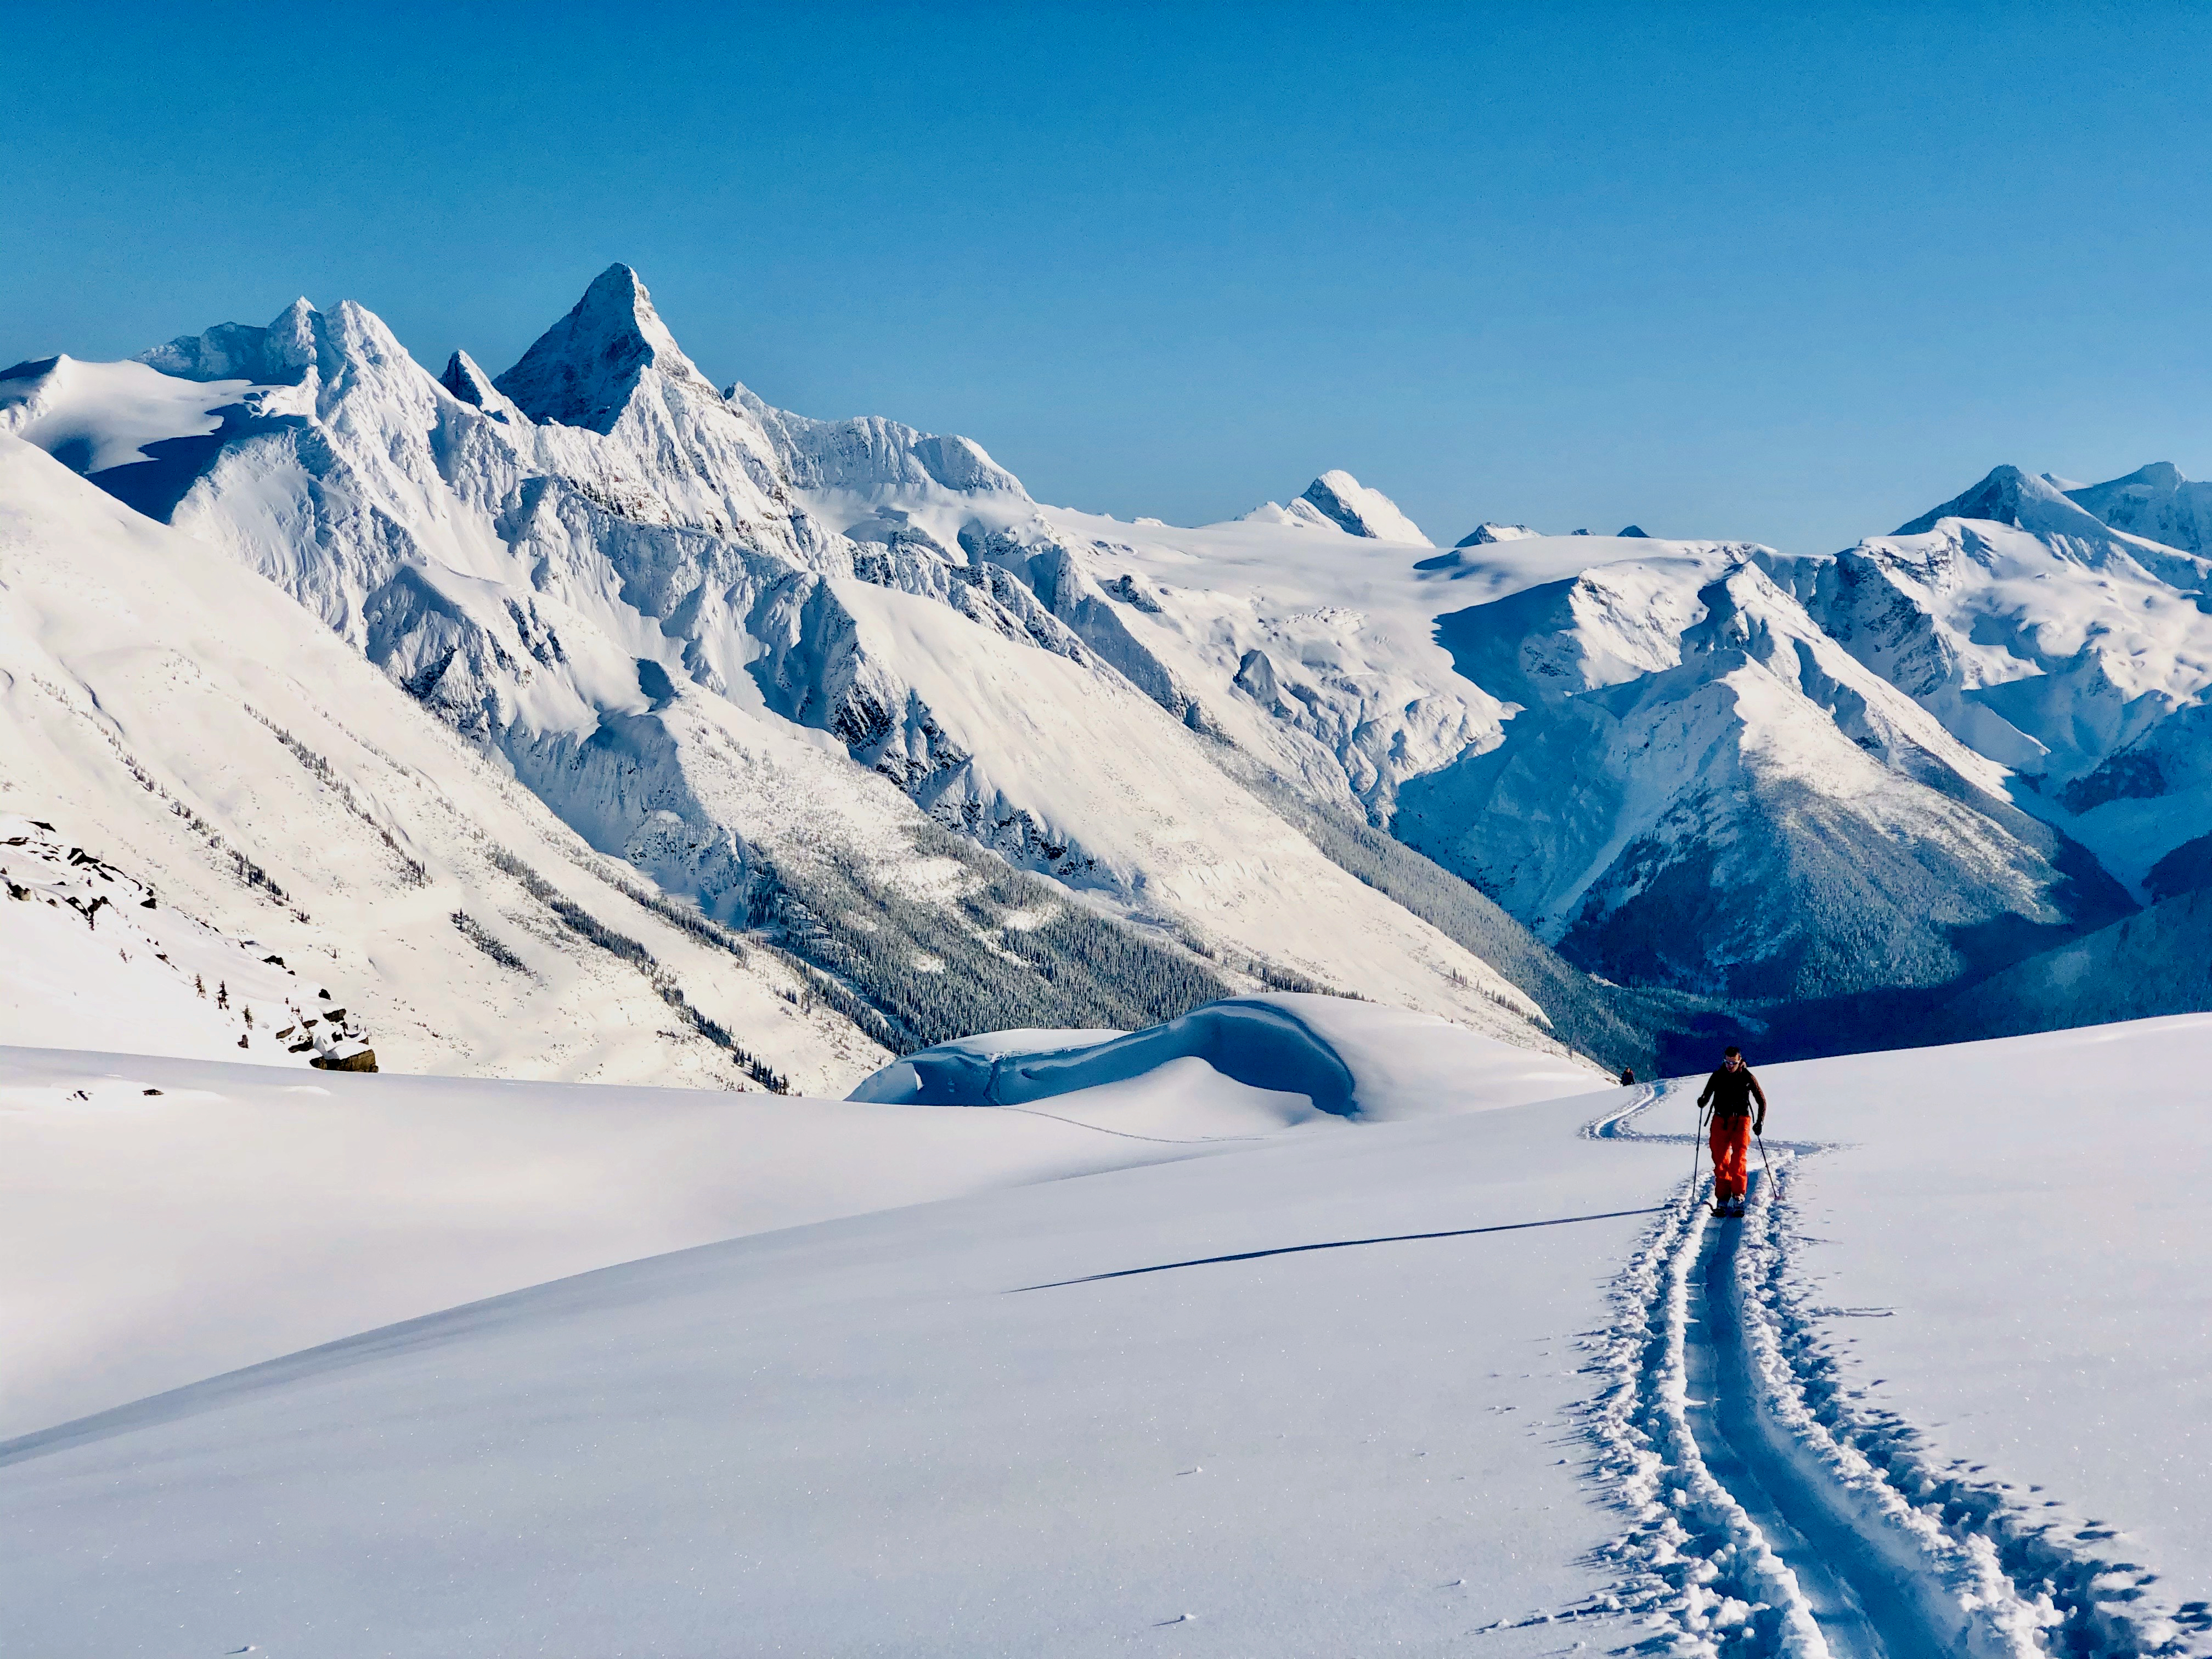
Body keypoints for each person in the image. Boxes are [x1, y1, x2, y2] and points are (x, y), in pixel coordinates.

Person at [1696, 1045, 1766, 1217]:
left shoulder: (1747, 1077)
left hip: (1741, 1120)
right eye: (1726, 1062)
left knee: (1738, 1159)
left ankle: (1738, 1195)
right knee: (1720, 1159)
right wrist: (1703, 1101)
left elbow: (1762, 1101)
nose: (1729, 1065)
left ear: (1740, 1060)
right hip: (1720, 1119)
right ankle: (1723, 1197)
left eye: (1733, 1063)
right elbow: (1706, 1095)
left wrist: (1759, 1122)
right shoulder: (1717, 1076)